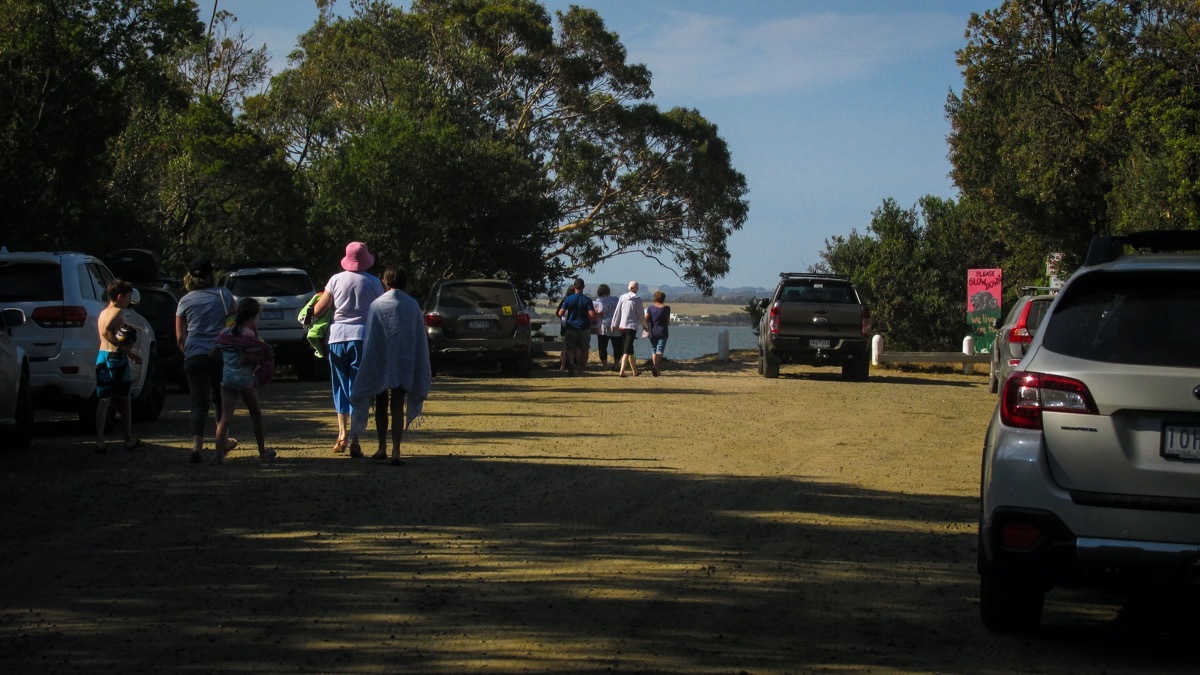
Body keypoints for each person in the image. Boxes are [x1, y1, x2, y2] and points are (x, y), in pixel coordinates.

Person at [348, 266, 432, 466]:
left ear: (385, 282)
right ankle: (396, 450)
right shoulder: (412, 305)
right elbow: (419, 339)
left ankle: (381, 447)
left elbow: (371, 338)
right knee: (397, 405)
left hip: (381, 360)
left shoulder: (377, 305)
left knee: (381, 404)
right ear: (405, 282)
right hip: (404, 360)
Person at [310, 242, 385, 458]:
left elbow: (318, 309)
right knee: (358, 387)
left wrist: (316, 300)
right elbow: (379, 309)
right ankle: (355, 439)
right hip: (362, 337)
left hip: (336, 339)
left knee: (339, 386)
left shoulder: (335, 279)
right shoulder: (373, 282)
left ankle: (341, 433)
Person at [176, 257, 238, 464]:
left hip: (194, 356)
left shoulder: (184, 301)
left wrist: (188, 351)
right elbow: (233, 325)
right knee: (221, 400)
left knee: (198, 402)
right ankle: (221, 443)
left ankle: (196, 446)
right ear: (212, 275)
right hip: (219, 354)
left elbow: (180, 336)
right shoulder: (224, 295)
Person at [212, 298, 276, 464]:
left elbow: (214, 353)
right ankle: (262, 452)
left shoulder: (225, 332)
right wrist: (264, 356)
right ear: (255, 316)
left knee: (225, 418)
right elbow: (246, 359)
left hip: (227, 379)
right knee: (255, 415)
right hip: (244, 379)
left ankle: (217, 454)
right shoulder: (248, 334)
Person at [94, 278, 144, 453]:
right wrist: (125, 350)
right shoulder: (116, 312)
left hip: (102, 356)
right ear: (120, 296)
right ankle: (128, 438)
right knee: (125, 399)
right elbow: (106, 331)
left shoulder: (103, 313)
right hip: (116, 358)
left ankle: (100, 440)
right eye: (128, 298)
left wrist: (129, 350)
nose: (129, 301)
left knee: (104, 399)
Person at [556, 278, 595, 376]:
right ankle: (581, 369)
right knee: (584, 349)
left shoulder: (568, 299)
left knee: (570, 348)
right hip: (584, 327)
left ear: (574, 287)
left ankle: (571, 363)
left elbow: (560, 313)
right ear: (583, 287)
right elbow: (592, 315)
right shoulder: (587, 300)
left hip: (570, 327)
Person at [609, 280, 645, 378]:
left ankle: (635, 371)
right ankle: (622, 371)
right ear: (637, 289)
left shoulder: (622, 297)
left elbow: (617, 312)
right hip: (631, 327)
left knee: (630, 349)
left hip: (622, 326)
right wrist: (645, 325)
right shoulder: (637, 299)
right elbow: (641, 315)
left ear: (628, 287)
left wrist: (613, 324)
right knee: (626, 349)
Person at [592, 284, 620, 371]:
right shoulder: (616, 299)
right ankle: (616, 364)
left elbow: (596, 313)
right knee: (617, 346)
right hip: (615, 324)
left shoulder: (598, 301)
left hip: (603, 325)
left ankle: (605, 365)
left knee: (602, 346)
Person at [644, 290, 671, 377]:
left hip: (652, 331)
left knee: (654, 349)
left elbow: (646, 319)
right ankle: (655, 366)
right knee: (660, 350)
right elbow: (667, 322)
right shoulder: (666, 308)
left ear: (655, 298)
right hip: (662, 331)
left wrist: (645, 327)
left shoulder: (650, 308)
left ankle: (657, 370)